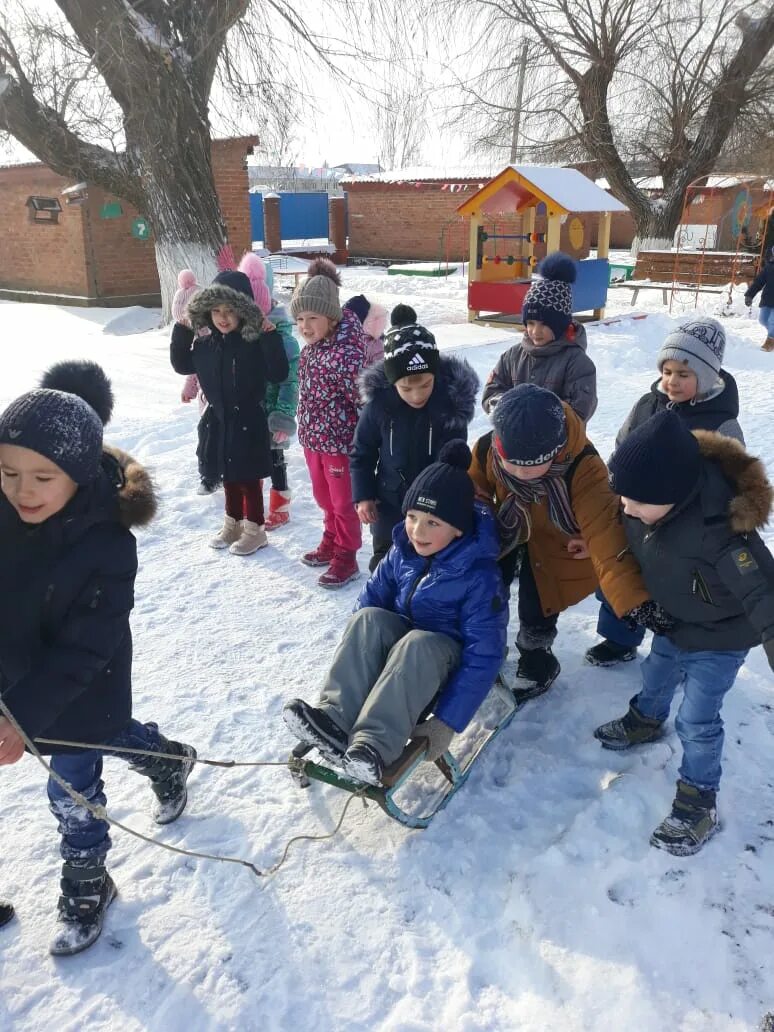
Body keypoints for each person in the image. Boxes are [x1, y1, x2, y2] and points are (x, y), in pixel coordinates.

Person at [0, 361, 196, 956]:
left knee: (73, 783)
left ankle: (88, 879)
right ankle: (166, 759)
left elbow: (89, 644)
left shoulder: (107, 543)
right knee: (104, 742)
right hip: (15, 678)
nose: (22, 490)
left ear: (81, 476)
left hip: (81, 682)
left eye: (42, 477)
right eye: (8, 472)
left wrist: (22, 717)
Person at [595, 410, 774, 856]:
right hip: (675, 620)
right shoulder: (641, 507)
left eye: (635, 501)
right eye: (623, 499)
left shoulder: (722, 531)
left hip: (721, 637)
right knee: (656, 672)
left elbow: (763, 596)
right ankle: (646, 719)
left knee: (696, 719)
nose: (625, 508)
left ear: (672, 493)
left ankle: (698, 801)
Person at [283, 441, 509, 786]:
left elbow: (485, 654)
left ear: (459, 528)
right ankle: (334, 721)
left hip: (445, 658)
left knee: (415, 644)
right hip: (403, 648)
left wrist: (446, 721)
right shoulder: (402, 551)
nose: (418, 531)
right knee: (368, 619)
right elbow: (370, 602)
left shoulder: (479, 576)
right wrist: (369, 658)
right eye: (413, 517)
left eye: (433, 522)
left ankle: (374, 747)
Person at [468, 384, 668, 699]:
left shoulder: (584, 466)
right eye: (513, 464)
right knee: (484, 590)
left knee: (538, 604)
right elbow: (474, 493)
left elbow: (606, 534)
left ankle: (537, 659)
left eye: (532, 465)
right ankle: (484, 647)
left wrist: (636, 601)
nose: (521, 473)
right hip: (502, 532)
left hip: (555, 543)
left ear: (556, 449)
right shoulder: (486, 450)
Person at [585, 316, 745, 667]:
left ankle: (671, 650)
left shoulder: (719, 422)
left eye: (683, 375)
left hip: (683, 524)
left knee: (672, 588)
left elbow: (734, 475)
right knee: (622, 575)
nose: (671, 381)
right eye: (667, 371)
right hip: (635, 512)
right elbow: (623, 444)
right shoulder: (648, 404)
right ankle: (619, 638)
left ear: (705, 377)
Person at [170, 270, 289, 555]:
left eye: (230, 310)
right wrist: (183, 329)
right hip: (219, 418)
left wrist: (269, 335)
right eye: (216, 310)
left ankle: (255, 529)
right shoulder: (207, 344)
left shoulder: (254, 343)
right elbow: (183, 364)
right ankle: (232, 522)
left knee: (248, 478)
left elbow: (278, 371)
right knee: (228, 475)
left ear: (243, 311)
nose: (223, 317)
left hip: (248, 419)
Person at [351, 322, 479, 571]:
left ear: (436, 376)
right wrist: (364, 495)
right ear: (391, 382)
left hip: (432, 509)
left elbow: (453, 461)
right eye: (406, 388)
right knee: (384, 564)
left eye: (425, 385)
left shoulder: (449, 405)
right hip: (388, 504)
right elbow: (362, 452)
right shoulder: (379, 405)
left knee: (426, 567)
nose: (417, 395)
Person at [292, 258, 367, 587]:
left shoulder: (347, 355)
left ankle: (347, 555)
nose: (305, 326)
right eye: (300, 319)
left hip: (339, 444)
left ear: (331, 317)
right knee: (324, 499)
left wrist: (366, 446)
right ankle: (330, 539)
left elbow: (363, 401)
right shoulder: (311, 349)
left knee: (342, 502)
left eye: (312, 318)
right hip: (312, 441)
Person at [481, 252, 598, 423]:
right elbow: (492, 391)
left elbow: (580, 410)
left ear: (560, 324)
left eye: (544, 324)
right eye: (530, 323)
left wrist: (538, 416)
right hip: (513, 442)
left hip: (559, 447)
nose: (535, 331)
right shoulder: (512, 356)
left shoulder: (577, 363)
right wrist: (506, 407)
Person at [238, 253, 300, 530]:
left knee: (275, 459)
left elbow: (290, 380)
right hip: (250, 410)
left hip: (273, 410)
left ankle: (280, 504)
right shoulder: (242, 331)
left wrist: (283, 415)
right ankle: (252, 503)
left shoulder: (282, 334)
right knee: (251, 458)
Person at [173, 270, 217, 495]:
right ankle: (209, 474)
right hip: (204, 399)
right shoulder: (197, 340)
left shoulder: (211, 335)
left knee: (212, 437)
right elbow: (195, 369)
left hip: (216, 399)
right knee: (206, 436)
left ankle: (211, 476)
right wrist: (189, 389)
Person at [744, 244, 774, 352]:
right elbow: (758, 282)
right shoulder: (769, 267)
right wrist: (749, 294)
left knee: (772, 321)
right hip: (767, 299)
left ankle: (770, 341)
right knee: (763, 320)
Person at [344, 294, 388, 365]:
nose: (344, 324)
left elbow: (380, 371)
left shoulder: (375, 345)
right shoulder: (342, 337)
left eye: (348, 319)